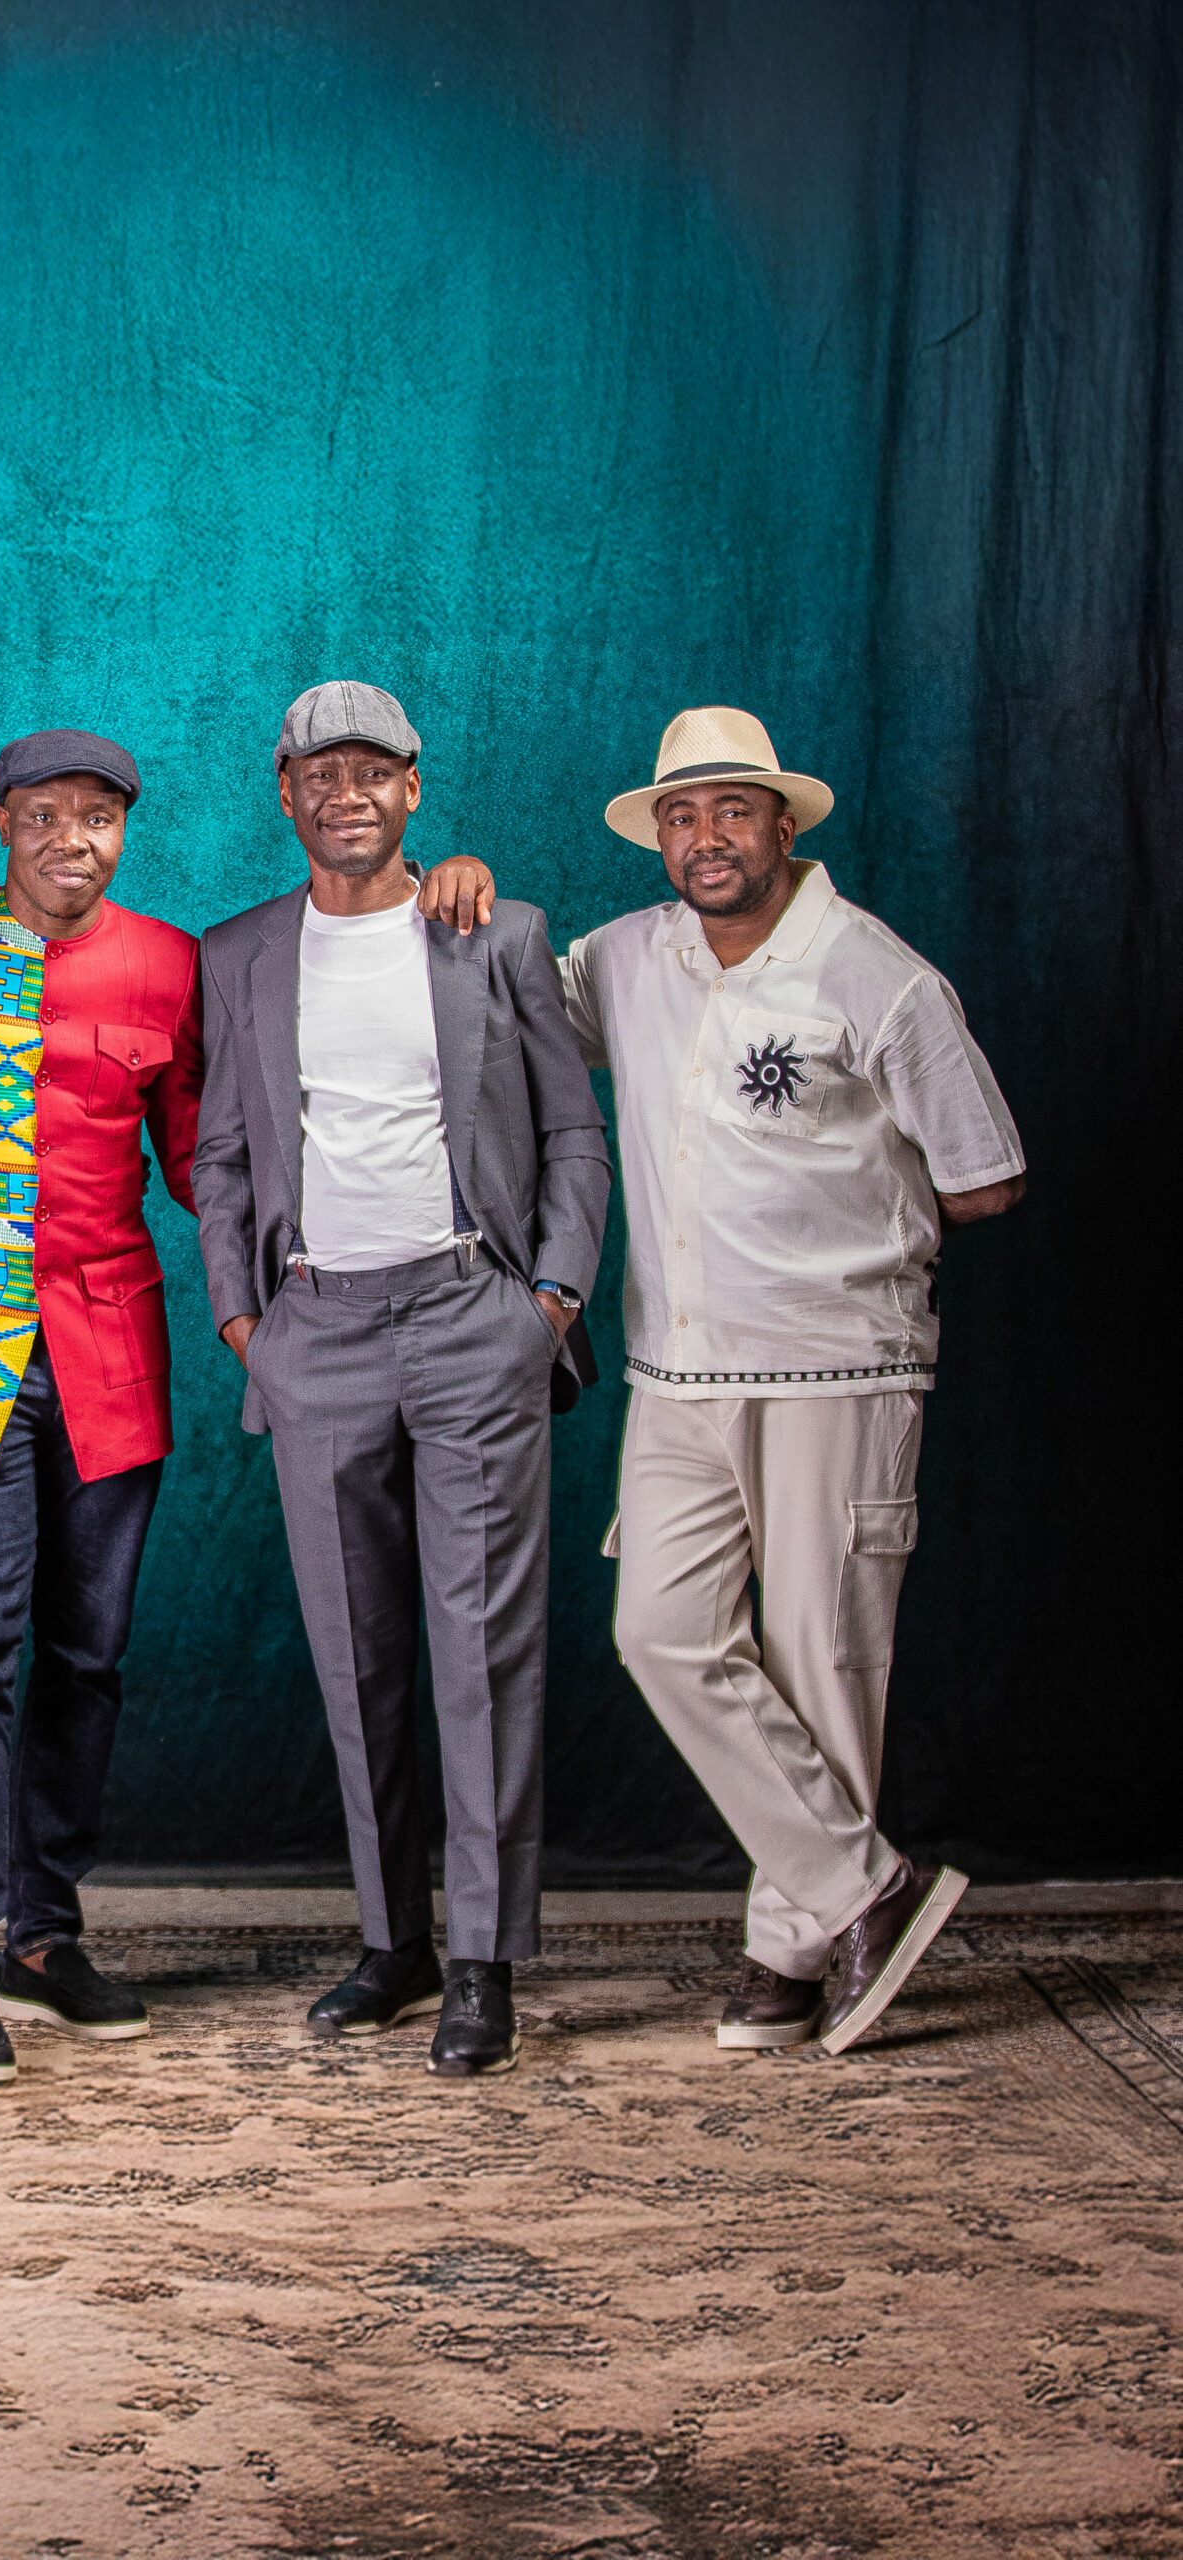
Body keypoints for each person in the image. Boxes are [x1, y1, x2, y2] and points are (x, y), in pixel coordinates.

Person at [0, 727, 502, 2090]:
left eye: (96, 817)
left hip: (108, 1345)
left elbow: (215, 1156)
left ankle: (44, 1932)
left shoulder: (168, 963)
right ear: (3, 822)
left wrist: (325, 1262)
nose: (70, 841)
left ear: (123, 833)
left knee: (88, 1658)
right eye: (43, 815)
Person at [562, 706, 1026, 2056]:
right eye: (682, 816)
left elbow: (984, 1175)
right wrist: (456, 889)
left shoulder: (877, 976)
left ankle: (791, 1953)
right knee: (662, 1630)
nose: (706, 837)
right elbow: (511, 1009)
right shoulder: (626, 958)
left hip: (840, 1366)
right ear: (659, 837)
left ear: (782, 823)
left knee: (822, 1654)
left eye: (732, 810)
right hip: (676, 1367)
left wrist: (850, 1234)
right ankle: (865, 1886)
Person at [192, 682, 611, 2080]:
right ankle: (395, 1941)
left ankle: (482, 1959)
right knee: (354, 1649)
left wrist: (550, 1302)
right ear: (285, 790)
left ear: (413, 788)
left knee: (483, 1647)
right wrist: (244, 1320)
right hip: (315, 1330)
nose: (346, 794)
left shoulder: (496, 932)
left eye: (372, 771)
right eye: (320, 773)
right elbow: (223, 1155)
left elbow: (574, 1135)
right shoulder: (240, 953)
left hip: (474, 1315)